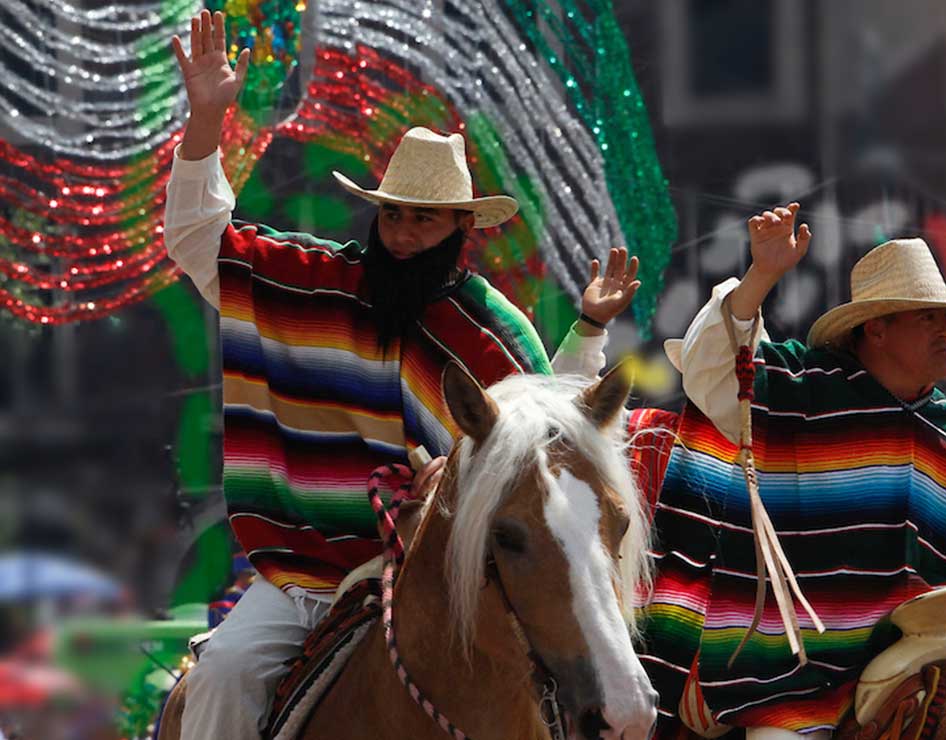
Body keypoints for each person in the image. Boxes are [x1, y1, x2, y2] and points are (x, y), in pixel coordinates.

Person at [163, 11, 637, 739]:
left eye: (427, 220)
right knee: (223, 674)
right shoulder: (315, 284)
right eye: (396, 217)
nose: (406, 235)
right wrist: (206, 118)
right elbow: (201, 235)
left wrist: (590, 331)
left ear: (460, 229)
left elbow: (551, 431)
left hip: (439, 581)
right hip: (305, 571)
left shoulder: (488, 327)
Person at [640, 203, 946, 739]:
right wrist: (762, 275)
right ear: (876, 329)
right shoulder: (804, 388)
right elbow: (711, 368)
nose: (945, 332)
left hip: (939, 649)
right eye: (927, 318)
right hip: (797, 670)